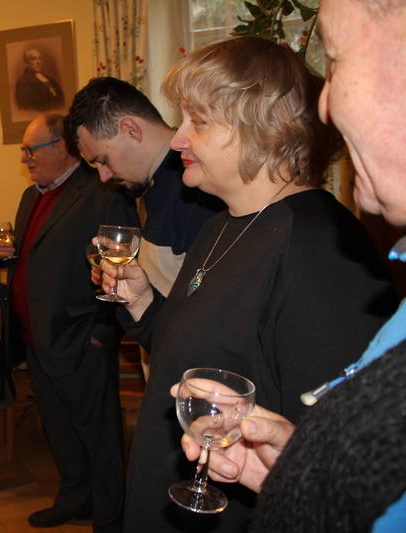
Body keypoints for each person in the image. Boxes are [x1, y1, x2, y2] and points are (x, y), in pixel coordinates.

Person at [98, 35, 398, 532]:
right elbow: (189, 353)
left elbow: (330, 451)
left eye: (198, 121)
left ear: (262, 127)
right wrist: (143, 302)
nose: (177, 139)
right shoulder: (220, 223)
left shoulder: (321, 247)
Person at [175, 2, 406, 531]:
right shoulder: (218, 226)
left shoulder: (322, 248)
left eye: (337, 60)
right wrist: (299, 472)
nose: (322, 107)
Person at [0, 113, 138, 531]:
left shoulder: (103, 193)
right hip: (37, 339)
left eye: (30, 150)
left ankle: (110, 517)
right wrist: (7, 255)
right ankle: (75, 498)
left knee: (99, 436)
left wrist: (102, 335)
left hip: (81, 339)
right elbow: (38, 259)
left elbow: (125, 268)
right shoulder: (29, 197)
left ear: (61, 147)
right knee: (58, 429)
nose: (25, 158)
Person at [65, 76, 224, 380]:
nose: (103, 176)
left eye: (103, 160)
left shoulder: (193, 187)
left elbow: (209, 312)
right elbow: (173, 276)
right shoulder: (155, 185)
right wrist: (127, 273)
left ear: (131, 129)